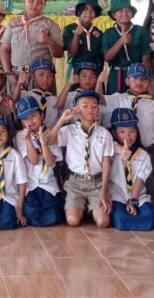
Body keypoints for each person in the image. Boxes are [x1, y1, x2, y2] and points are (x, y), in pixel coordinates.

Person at [45, 90, 113, 229]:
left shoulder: (104, 134)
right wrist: (62, 120)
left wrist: (104, 191)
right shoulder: (68, 130)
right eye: (85, 106)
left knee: (103, 222)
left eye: (94, 106)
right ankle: (83, 208)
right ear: (76, 108)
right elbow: (50, 141)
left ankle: (91, 208)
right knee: (72, 220)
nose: (90, 109)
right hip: (75, 183)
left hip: (97, 183)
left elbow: (106, 163)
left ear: (98, 109)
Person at [101, 63, 154, 178]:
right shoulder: (118, 99)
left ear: (149, 83)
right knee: (120, 184)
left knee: (146, 185)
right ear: (127, 81)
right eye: (135, 78)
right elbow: (98, 100)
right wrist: (99, 82)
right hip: (121, 153)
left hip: (147, 153)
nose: (139, 82)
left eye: (144, 79)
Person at [12, 96, 64, 227]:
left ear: (42, 115)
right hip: (31, 187)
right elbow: (34, 160)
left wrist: (44, 143)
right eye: (25, 118)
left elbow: (50, 161)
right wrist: (28, 140)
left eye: (33, 115)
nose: (30, 121)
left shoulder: (51, 134)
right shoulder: (20, 136)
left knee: (55, 213)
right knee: (31, 212)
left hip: (48, 185)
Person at [1, 0, 64, 86]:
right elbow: (4, 49)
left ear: (44, 5)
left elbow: (59, 53)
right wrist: (8, 74)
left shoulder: (50, 25)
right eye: (31, 1)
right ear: (24, 2)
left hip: (42, 79)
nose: (35, 5)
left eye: (40, 2)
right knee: (15, 97)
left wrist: (49, 41)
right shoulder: (13, 25)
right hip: (16, 76)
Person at [107, 108, 154, 232]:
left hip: (138, 195)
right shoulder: (110, 151)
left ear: (137, 131)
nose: (128, 136)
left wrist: (133, 201)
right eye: (122, 131)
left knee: (151, 218)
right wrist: (119, 149)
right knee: (120, 219)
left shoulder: (143, 155)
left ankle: (138, 218)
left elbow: (139, 181)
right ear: (114, 133)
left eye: (132, 131)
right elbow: (106, 143)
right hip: (117, 195)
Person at [101, 0, 152, 95]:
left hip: (137, 76)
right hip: (116, 75)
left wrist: (148, 80)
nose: (124, 13)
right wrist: (120, 41)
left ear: (132, 14)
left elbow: (146, 59)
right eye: (120, 10)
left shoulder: (141, 31)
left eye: (128, 10)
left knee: (137, 102)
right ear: (114, 14)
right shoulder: (109, 33)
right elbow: (107, 58)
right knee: (114, 103)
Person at [63, 0, 104, 76]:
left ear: (96, 13)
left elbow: (101, 57)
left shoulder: (99, 33)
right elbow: (72, 54)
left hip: (93, 72)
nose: (89, 12)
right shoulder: (69, 29)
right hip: (75, 70)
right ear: (79, 11)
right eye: (85, 9)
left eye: (92, 9)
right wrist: (76, 35)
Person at [18, 58, 60, 128]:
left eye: (50, 76)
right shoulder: (26, 95)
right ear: (33, 76)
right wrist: (18, 85)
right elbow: (14, 100)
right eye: (41, 74)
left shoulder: (55, 100)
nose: (45, 79)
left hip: (52, 131)